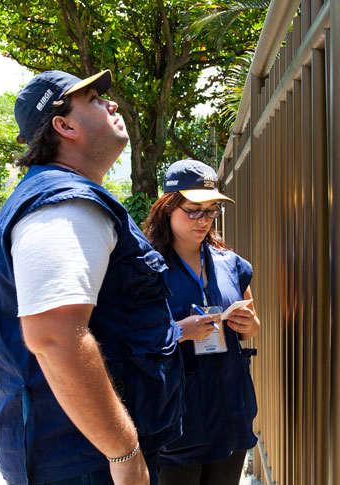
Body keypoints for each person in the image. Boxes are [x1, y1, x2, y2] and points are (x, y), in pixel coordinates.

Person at [0, 71, 217, 485]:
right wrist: (123, 450)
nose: (111, 104)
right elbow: (54, 336)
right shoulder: (64, 203)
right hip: (87, 462)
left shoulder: (66, 196)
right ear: (64, 125)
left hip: (85, 453)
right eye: (93, 98)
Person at [142, 159, 261, 485]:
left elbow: (254, 325)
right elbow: (130, 338)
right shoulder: (147, 268)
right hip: (178, 419)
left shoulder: (230, 263)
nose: (203, 220)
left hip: (230, 414)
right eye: (193, 210)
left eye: (210, 211)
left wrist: (248, 325)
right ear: (167, 208)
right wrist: (181, 331)